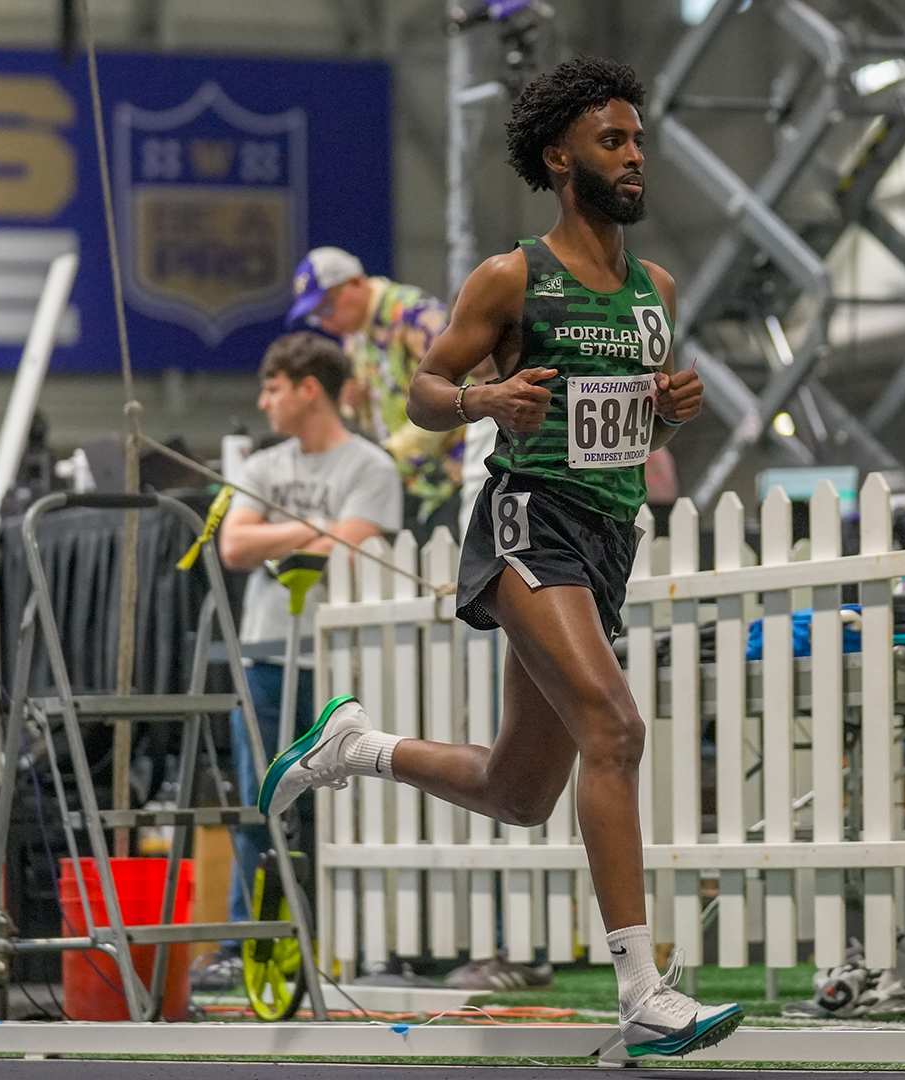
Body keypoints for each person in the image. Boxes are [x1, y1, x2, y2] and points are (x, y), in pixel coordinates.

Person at [258, 57, 739, 1058]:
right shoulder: (512, 277)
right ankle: (644, 995)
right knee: (615, 727)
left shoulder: (656, 288)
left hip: (605, 541)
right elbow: (421, 392)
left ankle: (356, 748)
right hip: (529, 526)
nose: (636, 155)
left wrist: (665, 410)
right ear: (561, 158)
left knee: (521, 793)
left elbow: (619, 423)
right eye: (615, 141)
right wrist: (484, 398)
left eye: (640, 139)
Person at [212, 332, 402, 962]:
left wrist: (285, 532)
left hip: (341, 667)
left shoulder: (370, 466)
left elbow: (348, 545)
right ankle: (257, 945)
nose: (264, 402)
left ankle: (347, 941)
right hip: (265, 657)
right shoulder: (261, 467)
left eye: (273, 388)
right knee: (260, 803)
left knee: (346, 808)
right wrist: (314, 527)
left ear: (307, 389)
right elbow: (234, 547)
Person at [287, 246, 459, 535]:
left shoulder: (416, 315)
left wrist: (386, 457)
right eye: (317, 317)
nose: (327, 323)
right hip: (405, 485)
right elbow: (366, 409)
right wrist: (352, 404)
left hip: (452, 480)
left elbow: (450, 396)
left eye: (327, 307)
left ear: (355, 282)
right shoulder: (354, 337)